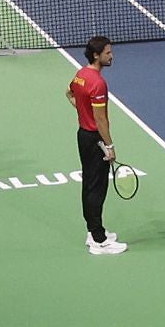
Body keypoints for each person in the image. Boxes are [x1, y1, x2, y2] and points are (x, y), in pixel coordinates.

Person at [67, 35, 126, 255]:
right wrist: (109, 146)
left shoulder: (81, 75)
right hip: (95, 140)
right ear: (96, 55)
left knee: (90, 185)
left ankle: (94, 231)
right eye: (108, 53)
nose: (111, 56)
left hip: (83, 134)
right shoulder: (98, 83)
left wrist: (83, 112)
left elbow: (69, 93)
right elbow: (101, 120)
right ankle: (98, 240)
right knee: (96, 188)